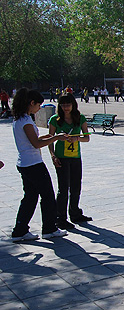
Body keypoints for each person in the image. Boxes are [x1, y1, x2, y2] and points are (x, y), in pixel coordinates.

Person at [11, 88, 69, 242]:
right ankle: (49, 229)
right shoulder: (26, 121)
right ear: (31, 103)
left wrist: (49, 136)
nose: (39, 108)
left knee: (30, 197)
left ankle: (20, 230)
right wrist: (55, 138)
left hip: (25, 163)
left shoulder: (19, 119)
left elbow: (32, 140)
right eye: (38, 105)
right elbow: (36, 144)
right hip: (33, 164)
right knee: (48, 196)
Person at [48, 94, 92, 229]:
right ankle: (60, 218)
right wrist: (53, 156)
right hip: (61, 157)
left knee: (76, 187)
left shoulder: (80, 118)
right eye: (63, 105)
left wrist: (77, 138)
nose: (65, 108)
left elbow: (87, 137)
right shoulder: (55, 120)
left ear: (73, 105)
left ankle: (75, 213)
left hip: (75, 157)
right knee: (63, 188)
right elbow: (50, 139)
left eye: (68, 105)